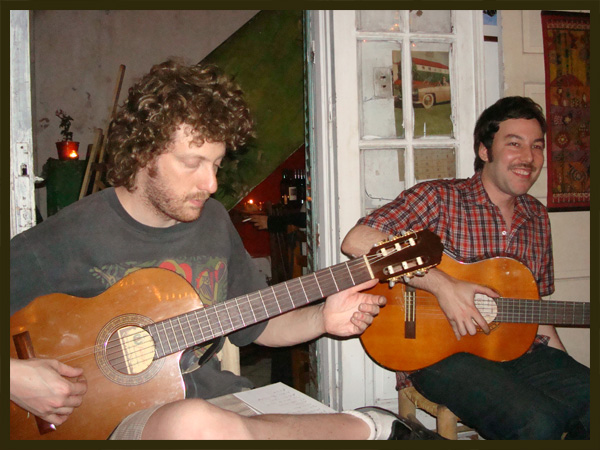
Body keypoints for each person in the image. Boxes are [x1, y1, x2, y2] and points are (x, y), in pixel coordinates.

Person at [10, 59, 442, 441]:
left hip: (220, 408)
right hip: (113, 426)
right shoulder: (71, 234)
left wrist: (322, 318)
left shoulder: (213, 222)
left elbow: (257, 325)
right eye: (193, 163)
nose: (211, 184)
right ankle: (372, 428)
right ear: (144, 154)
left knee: (203, 422)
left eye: (216, 164)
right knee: (193, 425)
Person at [342, 96, 590, 440]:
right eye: (514, 143)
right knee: (539, 421)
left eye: (537, 146)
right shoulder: (439, 198)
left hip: (518, 352)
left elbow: (535, 310)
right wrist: (442, 286)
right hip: (438, 355)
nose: (528, 158)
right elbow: (356, 240)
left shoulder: (537, 217)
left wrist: (563, 365)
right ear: (485, 151)